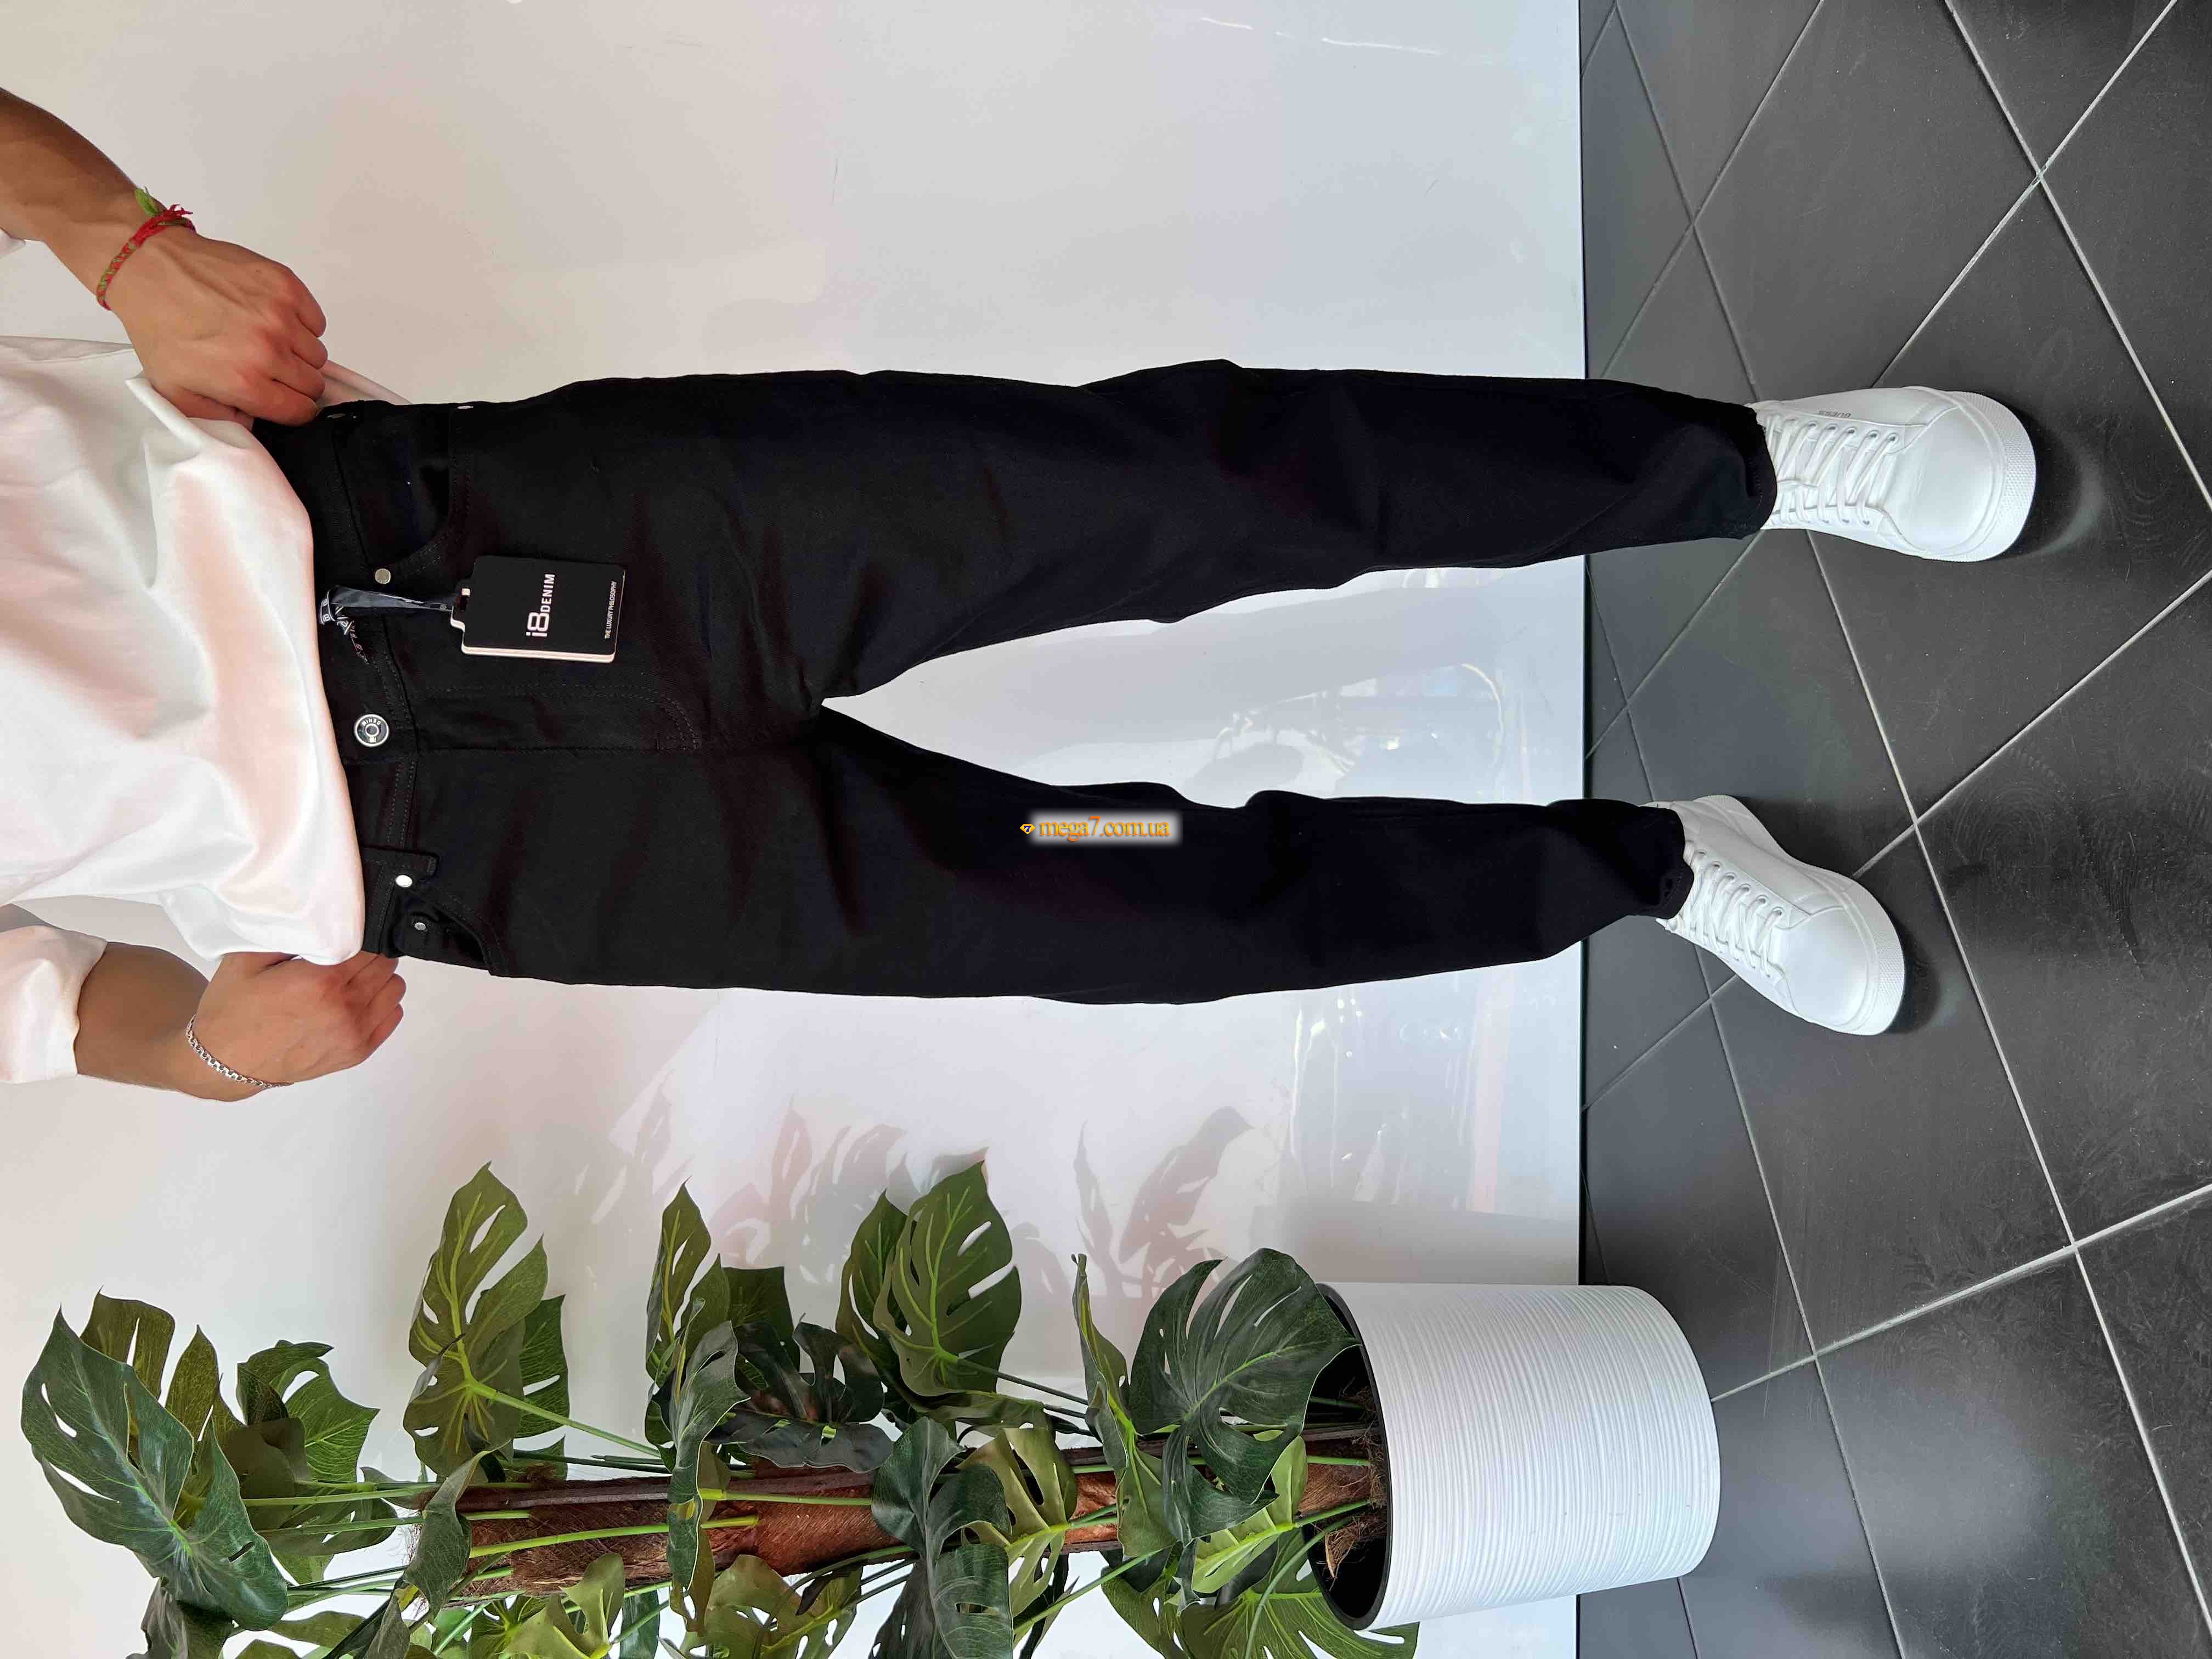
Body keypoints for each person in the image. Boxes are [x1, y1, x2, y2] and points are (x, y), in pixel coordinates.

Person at [0, 87, 2038, 1102]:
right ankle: (1653, 869)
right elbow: (40, 1003)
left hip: (477, 568)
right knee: (1133, 892)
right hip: (505, 864)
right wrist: (196, 1056)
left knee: (1178, 496)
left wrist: (121, 245)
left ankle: (1765, 466)